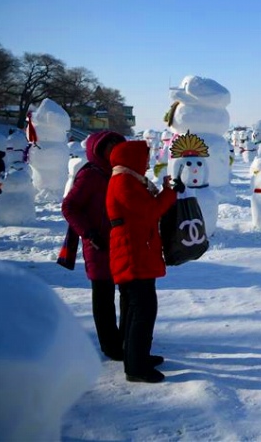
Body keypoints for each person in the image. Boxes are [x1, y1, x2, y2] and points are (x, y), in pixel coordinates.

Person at [107, 140, 177, 383]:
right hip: (132, 253)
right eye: (144, 158)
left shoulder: (130, 180)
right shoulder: (124, 181)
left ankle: (136, 356)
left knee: (136, 308)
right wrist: (170, 193)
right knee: (143, 309)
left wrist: (166, 190)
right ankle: (135, 366)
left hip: (137, 250)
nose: (147, 163)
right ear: (132, 159)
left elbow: (145, 209)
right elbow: (149, 211)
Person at [61, 130, 127, 360]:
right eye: (110, 147)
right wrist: (89, 233)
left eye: (117, 147)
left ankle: (126, 338)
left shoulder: (119, 172)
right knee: (103, 296)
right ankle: (110, 345)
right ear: (99, 149)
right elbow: (69, 207)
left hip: (121, 242)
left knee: (127, 293)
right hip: (97, 244)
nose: (114, 151)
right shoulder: (90, 174)